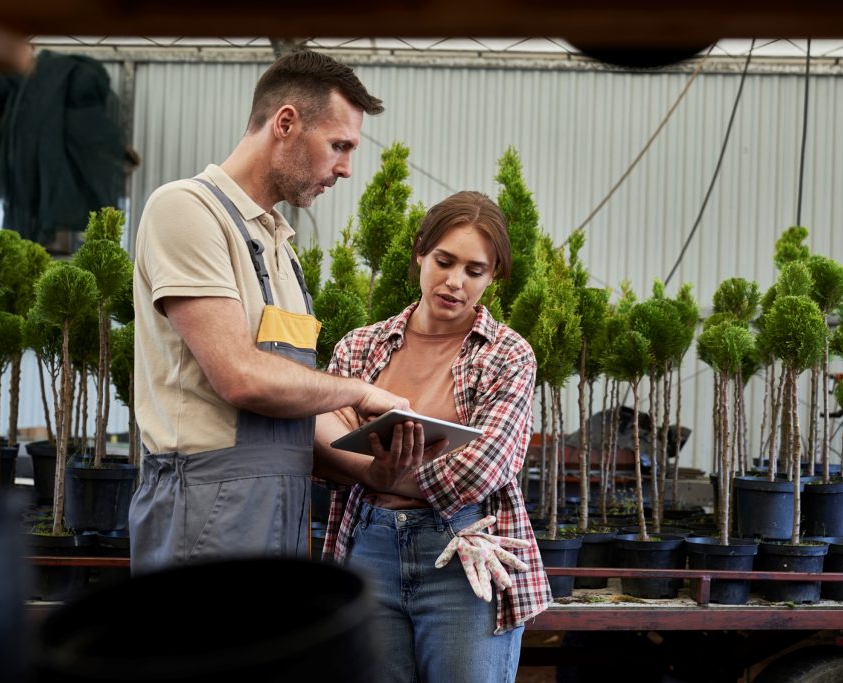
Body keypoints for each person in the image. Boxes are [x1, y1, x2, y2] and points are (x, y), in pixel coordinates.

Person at [129, 50, 414, 575]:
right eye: (340, 146)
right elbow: (241, 377)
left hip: (284, 502)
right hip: (206, 505)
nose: (346, 169)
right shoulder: (187, 209)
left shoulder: (279, 246)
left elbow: (292, 406)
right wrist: (357, 391)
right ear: (286, 123)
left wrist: (370, 471)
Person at [313, 191, 552, 683]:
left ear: (493, 276)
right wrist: (365, 468)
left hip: (465, 553)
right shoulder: (359, 347)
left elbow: (483, 468)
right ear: (420, 252)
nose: (455, 282)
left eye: (474, 270)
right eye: (444, 261)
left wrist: (374, 472)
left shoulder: (507, 355)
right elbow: (320, 444)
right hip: (369, 547)